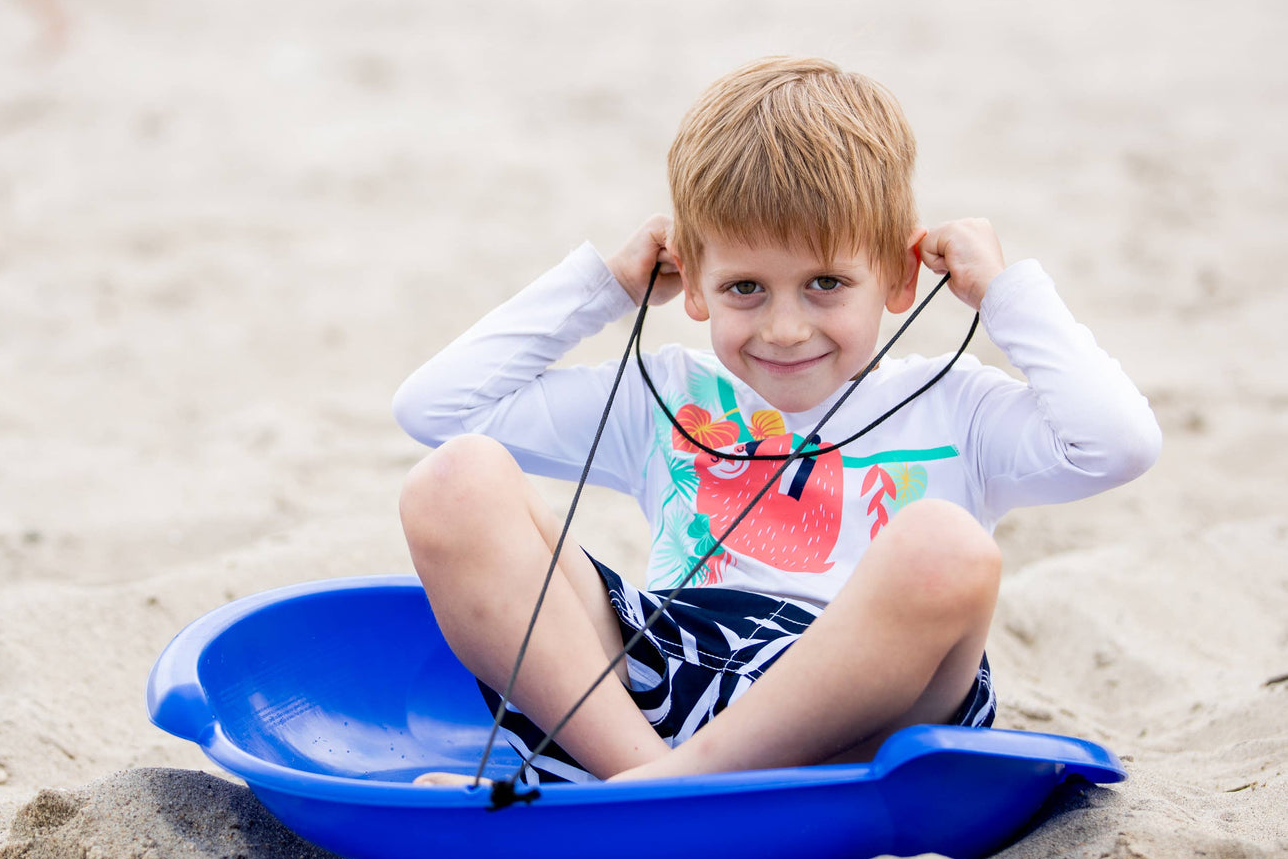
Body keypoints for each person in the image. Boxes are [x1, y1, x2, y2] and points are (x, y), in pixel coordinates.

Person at [392, 56, 1160, 787]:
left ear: (899, 276)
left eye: (825, 282)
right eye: (744, 287)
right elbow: (438, 408)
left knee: (946, 547)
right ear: (693, 283)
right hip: (669, 688)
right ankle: (643, 780)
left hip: (866, 715)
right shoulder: (665, 393)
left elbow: (1117, 443)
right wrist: (609, 285)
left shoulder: (956, 404)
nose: (785, 329)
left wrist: (1003, 293)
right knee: (451, 481)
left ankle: (657, 789)